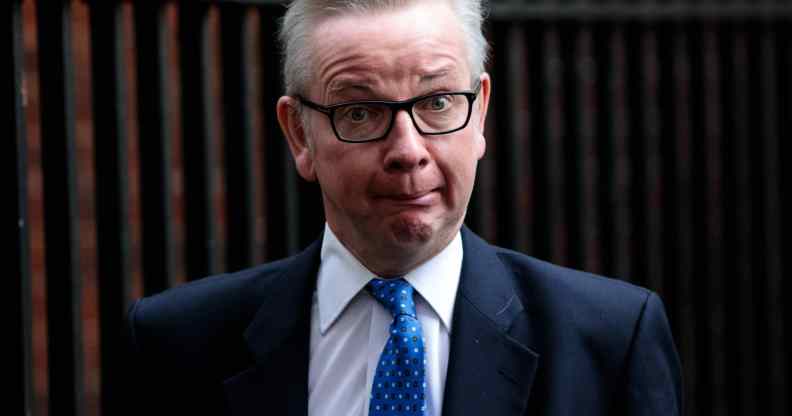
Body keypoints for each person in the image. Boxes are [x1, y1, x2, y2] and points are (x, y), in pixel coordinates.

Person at [122, 0, 682, 415]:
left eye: (437, 103)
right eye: (361, 112)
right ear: (299, 135)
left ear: (480, 113)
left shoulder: (607, 341)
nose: (408, 151)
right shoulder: (181, 344)